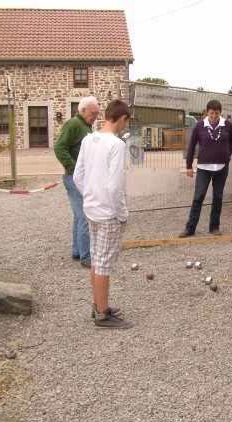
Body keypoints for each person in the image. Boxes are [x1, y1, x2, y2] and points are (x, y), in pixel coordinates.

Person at [73, 99, 133, 329]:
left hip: (92, 209)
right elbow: (114, 186)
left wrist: (89, 195)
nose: (125, 127)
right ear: (122, 119)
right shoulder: (116, 145)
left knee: (97, 259)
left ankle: (98, 304)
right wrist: (122, 213)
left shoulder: (89, 139)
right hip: (108, 213)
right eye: (126, 123)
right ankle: (102, 314)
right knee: (104, 263)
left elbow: (79, 175)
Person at [178, 100, 232, 238]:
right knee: (198, 197)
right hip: (203, 167)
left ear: (220, 113)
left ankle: (214, 227)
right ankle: (190, 228)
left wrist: (226, 157)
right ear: (207, 112)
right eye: (211, 113)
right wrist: (188, 166)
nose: (214, 116)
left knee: (217, 196)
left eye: (217, 113)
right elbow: (192, 146)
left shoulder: (227, 125)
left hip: (221, 168)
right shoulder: (200, 126)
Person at [54, 96, 99, 269]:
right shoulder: (73, 124)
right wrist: (73, 169)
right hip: (74, 178)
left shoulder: (85, 126)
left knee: (78, 216)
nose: (95, 116)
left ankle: (77, 251)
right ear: (83, 110)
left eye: (97, 113)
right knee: (84, 216)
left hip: (79, 177)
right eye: (94, 113)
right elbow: (59, 147)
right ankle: (86, 256)